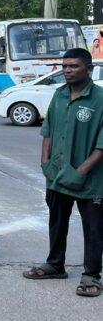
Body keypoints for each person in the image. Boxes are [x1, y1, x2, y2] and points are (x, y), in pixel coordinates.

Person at [24, 48, 103, 297]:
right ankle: (55, 265)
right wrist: (45, 162)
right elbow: (48, 130)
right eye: (65, 66)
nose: (67, 70)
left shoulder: (100, 99)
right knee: (57, 221)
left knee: (93, 227)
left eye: (74, 66)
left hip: (90, 180)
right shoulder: (59, 95)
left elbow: (102, 145)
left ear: (88, 69)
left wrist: (80, 172)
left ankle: (91, 274)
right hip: (56, 176)